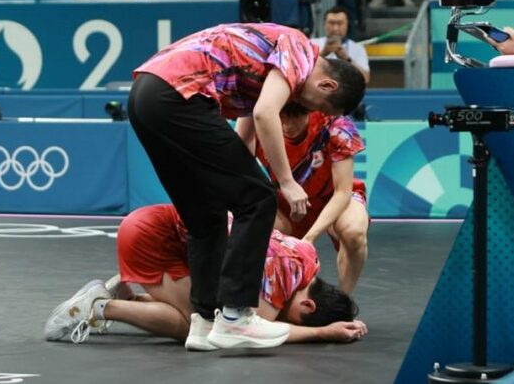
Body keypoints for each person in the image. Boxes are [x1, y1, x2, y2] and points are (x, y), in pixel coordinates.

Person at [126, 23, 366, 350]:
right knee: (260, 199)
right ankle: (236, 317)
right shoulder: (300, 49)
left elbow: (244, 135)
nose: (312, 113)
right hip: (178, 95)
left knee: (204, 215)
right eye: (320, 108)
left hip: (145, 98)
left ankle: (204, 321)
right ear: (326, 84)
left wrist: (232, 181)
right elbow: (266, 114)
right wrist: (286, 182)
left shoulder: (270, 69)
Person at [44, 206, 367, 347]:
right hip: (154, 238)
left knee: (207, 308)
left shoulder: (307, 255)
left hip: (167, 226)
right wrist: (322, 333)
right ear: (308, 306)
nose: (287, 317)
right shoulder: (277, 286)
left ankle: (129, 297)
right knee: (202, 327)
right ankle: (98, 307)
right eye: (296, 319)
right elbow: (253, 330)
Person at [248, 102, 370, 294]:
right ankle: (280, 299)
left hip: (332, 195)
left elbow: (342, 193)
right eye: (283, 116)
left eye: (296, 116)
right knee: (256, 233)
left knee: (353, 231)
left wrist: (309, 239)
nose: (288, 125)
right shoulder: (259, 125)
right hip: (287, 202)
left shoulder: (335, 125)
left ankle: (344, 302)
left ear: (310, 110)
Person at [311, 7, 370, 82]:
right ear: (324, 24)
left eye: (340, 23)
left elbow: (365, 79)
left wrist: (346, 59)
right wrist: (323, 53)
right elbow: (301, 73)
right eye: (331, 23)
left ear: (347, 25)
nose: (335, 28)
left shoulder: (358, 48)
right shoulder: (312, 44)